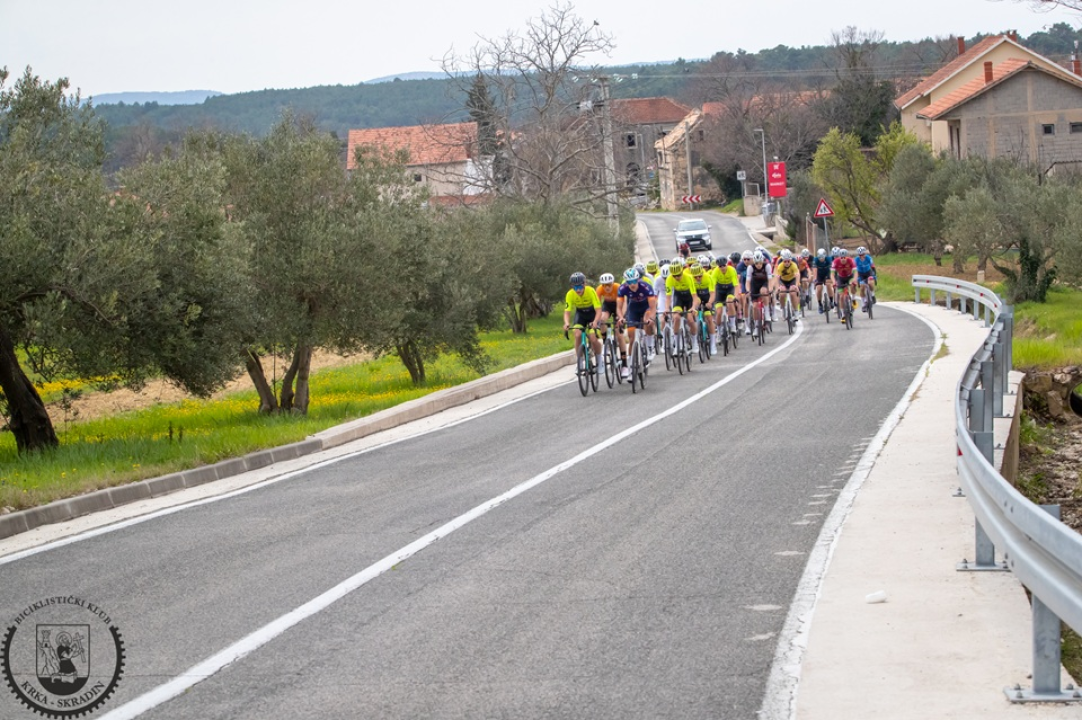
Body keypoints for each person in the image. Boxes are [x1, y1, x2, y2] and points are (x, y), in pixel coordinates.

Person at [563, 272, 602, 373]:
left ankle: (599, 361)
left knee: (593, 338)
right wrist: (566, 323)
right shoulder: (570, 294)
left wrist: (595, 321)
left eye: (580, 286)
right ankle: (579, 363)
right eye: (575, 288)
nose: (578, 290)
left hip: (593, 314)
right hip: (580, 315)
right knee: (577, 333)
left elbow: (598, 310)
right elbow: (567, 312)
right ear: (572, 287)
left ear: (584, 284)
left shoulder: (591, 291)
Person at [617, 267, 658, 365]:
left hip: (646, 306)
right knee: (631, 337)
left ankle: (650, 346)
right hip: (633, 307)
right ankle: (631, 365)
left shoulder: (646, 286)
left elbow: (653, 307)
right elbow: (619, 307)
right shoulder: (622, 288)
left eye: (634, 281)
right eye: (629, 282)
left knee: (646, 320)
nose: (632, 284)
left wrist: (652, 318)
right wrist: (621, 317)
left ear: (638, 279)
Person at [665, 257, 700, 353]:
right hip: (678, 298)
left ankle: (694, 342)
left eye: (679, 275)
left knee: (690, 319)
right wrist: (666, 308)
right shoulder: (669, 279)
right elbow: (668, 297)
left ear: (682, 271)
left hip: (689, 298)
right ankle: (677, 345)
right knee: (676, 317)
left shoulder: (688, 277)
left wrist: (693, 308)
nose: (677, 277)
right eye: (674, 276)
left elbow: (694, 296)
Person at [596, 272, 628, 375]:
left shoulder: (618, 287)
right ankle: (606, 342)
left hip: (620, 305)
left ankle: (624, 365)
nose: (607, 287)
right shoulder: (599, 289)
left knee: (619, 335)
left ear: (612, 283)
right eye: (604, 285)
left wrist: (621, 317)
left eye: (609, 285)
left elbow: (624, 304)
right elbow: (597, 305)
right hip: (608, 306)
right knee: (602, 319)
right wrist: (597, 319)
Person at [710, 254, 741, 337]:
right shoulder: (715, 272)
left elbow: (736, 285)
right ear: (718, 267)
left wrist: (735, 297)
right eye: (720, 266)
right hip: (719, 290)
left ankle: (732, 324)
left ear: (727, 264)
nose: (722, 268)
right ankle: (719, 332)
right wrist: (711, 299)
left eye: (724, 265)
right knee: (719, 312)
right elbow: (712, 287)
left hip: (729, 289)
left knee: (730, 301)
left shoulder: (732, 270)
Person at [745, 251, 773, 335]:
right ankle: (757, 326)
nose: (758, 265)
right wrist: (748, 291)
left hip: (764, 283)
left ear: (763, 261)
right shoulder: (750, 268)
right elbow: (748, 281)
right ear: (754, 262)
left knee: (764, 291)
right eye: (756, 264)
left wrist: (770, 289)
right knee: (755, 306)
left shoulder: (767, 266)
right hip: (754, 285)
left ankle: (767, 315)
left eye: (760, 263)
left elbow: (770, 280)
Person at [774, 249, 802, 322]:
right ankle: (783, 309)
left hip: (792, 280)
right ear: (782, 260)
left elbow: (797, 275)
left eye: (788, 261)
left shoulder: (794, 265)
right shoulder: (780, 266)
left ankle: (796, 311)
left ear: (790, 260)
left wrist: (796, 285)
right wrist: (777, 288)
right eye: (785, 261)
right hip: (783, 281)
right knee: (782, 293)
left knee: (793, 293)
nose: (786, 263)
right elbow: (777, 278)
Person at [832, 249, 858, 321]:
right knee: (841, 297)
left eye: (844, 257)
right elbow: (832, 274)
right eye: (841, 257)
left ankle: (853, 299)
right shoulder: (835, 262)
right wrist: (834, 282)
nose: (843, 259)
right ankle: (843, 315)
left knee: (853, 285)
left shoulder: (851, 261)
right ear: (839, 257)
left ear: (847, 257)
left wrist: (855, 280)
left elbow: (855, 272)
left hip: (850, 277)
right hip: (841, 278)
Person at [811, 248, 834, 313]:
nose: (821, 259)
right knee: (819, 288)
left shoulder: (829, 259)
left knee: (828, 284)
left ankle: (831, 300)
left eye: (822, 258)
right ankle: (820, 304)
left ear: (825, 256)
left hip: (827, 273)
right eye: (820, 258)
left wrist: (832, 278)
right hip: (819, 275)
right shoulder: (815, 260)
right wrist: (815, 279)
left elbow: (831, 270)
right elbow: (815, 271)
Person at [855, 246, 877, 312]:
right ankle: (863, 304)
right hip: (860, 274)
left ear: (865, 253)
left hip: (868, 272)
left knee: (870, 283)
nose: (862, 256)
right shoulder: (856, 260)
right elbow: (854, 269)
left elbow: (873, 267)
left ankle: (872, 295)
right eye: (860, 255)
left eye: (863, 254)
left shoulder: (868, 258)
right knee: (862, 287)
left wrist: (874, 275)